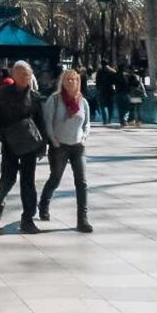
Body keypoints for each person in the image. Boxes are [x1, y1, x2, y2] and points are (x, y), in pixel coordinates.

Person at [0, 60, 47, 234]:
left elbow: (41, 123)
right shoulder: (2, 93)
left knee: (28, 182)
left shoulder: (35, 97)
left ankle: (28, 218)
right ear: (13, 75)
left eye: (27, 75)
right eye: (20, 74)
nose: (24, 78)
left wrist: (43, 145)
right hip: (10, 143)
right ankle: (0, 197)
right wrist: (2, 135)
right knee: (9, 177)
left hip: (29, 144)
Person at [39, 69, 93, 233]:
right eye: (67, 79)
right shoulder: (54, 100)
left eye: (74, 80)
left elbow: (87, 124)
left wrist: (84, 136)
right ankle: (44, 203)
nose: (71, 82)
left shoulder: (82, 101)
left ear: (78, 82)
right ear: (62, 81)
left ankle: (82, 219)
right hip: (59, 145)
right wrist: (53, 140)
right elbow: (47, 122)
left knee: (82, 183)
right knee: (55, 179)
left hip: (78, 146)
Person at [95, 61, 115, 126]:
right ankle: (109, 119)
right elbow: (114, 80)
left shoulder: (99, 71)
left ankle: (105, 120)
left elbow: (97, 81)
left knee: (103, 106)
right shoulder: (111, 71)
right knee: (110, 106)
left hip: (102, 90)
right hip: (110, 90)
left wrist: (98, 88)